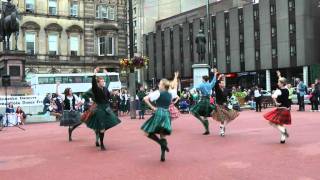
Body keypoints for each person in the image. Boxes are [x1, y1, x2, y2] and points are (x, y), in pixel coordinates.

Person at [85, 67, 121, 151]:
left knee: (110, 122)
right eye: (102, 81)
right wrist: (94, 73)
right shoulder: (95, 89)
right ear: (98, 83)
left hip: (107, 108)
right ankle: (102, 144)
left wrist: (113, 93)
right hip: (100, 109)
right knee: (102, 128)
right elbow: (93, 83)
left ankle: (99, 132)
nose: (103, 82)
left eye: (103, 81)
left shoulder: (105, 89)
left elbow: (108, 95)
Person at [141, 79, 172, 162]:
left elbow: (145, 98)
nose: (159, 85)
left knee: (146, 132)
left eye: (160, 84)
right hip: (166, 114)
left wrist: (152, 107)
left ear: (163, 86)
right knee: (163, 134)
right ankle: (163, 155)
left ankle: (160, 143)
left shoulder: (158, 93)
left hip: (159, 113)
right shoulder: (170, 94)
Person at [263, 71, 291, 144]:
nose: (277, 83)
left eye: (278, 83)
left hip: (281, 109)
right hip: (287, 109)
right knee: (281, 123)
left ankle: (283, 130)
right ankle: (283, 138)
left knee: (271, 122)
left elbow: (273, 97)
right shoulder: (287, 89)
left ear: (281, 84)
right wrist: (279, 75)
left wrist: (276, 102)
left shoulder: (278, 91)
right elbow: (282, 81)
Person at [190, 68, 218, 135]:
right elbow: (214, 81)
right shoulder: (209, 84)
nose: (201, 80)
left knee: (192, 111)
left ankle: (202, 122)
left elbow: (194, 89)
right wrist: (215, 74)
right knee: (205, 116)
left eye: (202, 79)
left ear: (204, 79)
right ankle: (207, 130)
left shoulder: (201, 84)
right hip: (208, 101)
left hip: (203, 100)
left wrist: (195, 95)